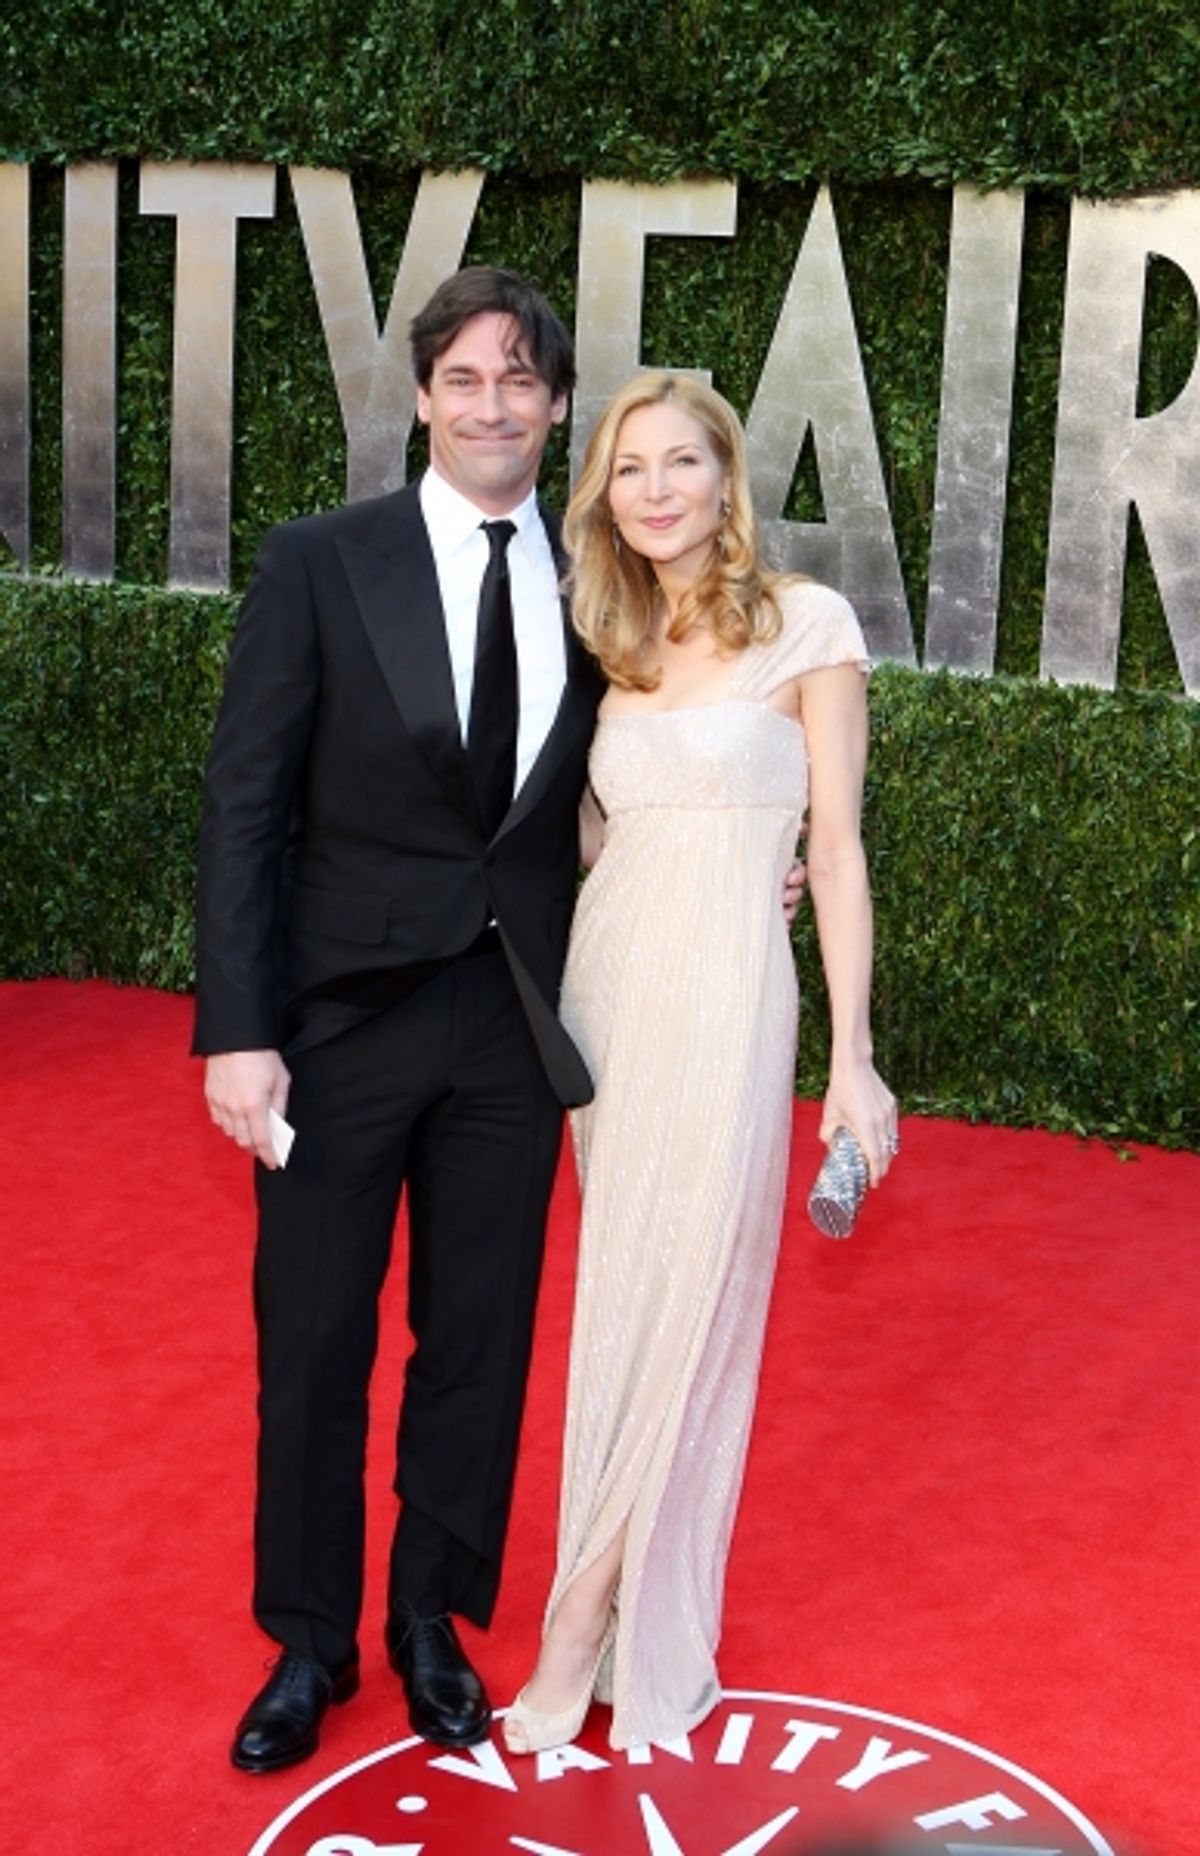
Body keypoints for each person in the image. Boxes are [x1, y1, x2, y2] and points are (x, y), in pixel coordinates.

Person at [194, 266, 604, 1771]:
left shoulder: (602, 577)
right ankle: (309, 1640)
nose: (493, 407)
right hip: (337, 1022)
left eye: (520, 380)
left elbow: (631, 777)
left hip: (511, 1022)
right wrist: (239, 1029)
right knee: (312, 1339)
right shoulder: (322, 559)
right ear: (424, 396)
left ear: (556, 405)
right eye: (465, 379)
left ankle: (431, 1615)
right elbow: (244, 804)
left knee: (476, 1339)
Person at [503, 373, 897, 1756]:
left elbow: (835, 850)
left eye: (682, 461)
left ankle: (577, 1621)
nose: (657, 489)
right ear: (603, 495)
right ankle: (618, 1616)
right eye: (629, 468)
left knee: (688, 1301)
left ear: (728, 479)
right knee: (624, 1299)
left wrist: (854, 1058)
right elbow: (594, 836)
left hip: (731, 994)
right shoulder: (602, 639)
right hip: (610, 991)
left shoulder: (809, 626)